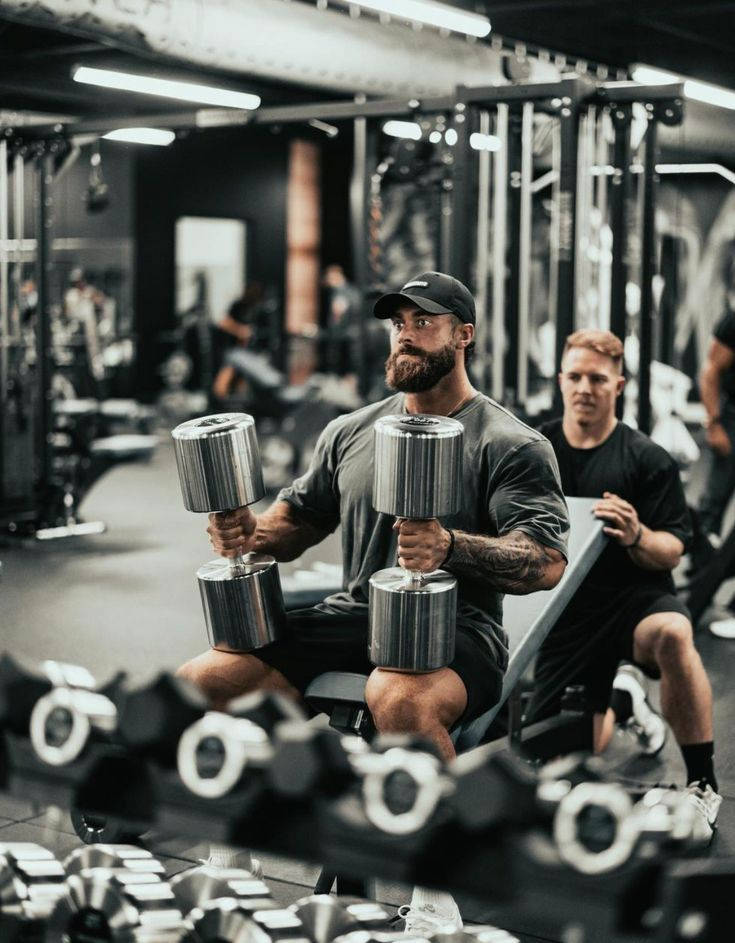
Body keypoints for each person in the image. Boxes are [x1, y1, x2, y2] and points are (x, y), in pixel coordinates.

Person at [178, 271, 569, 927]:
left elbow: (545, 561)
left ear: (463, 333)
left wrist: (451, 547)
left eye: (423, 321)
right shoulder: (351, 430)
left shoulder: (509, 443)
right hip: (353, 615)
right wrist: (249, 533)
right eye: (397, 323)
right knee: (204, 680)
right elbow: (297, 522)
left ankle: (437, 898)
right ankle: (233, 856)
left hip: (456, 630)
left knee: (397, 695)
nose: (404, 335)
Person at [529, 329, 721, 843]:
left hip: (636, 601)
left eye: (597, 378)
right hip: (565, 609)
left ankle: (703, 782)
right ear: (560, 380)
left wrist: (637, 533)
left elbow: (673, 549)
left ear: (619, 384)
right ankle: (623, 701)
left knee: (674, 634)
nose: (584, 388)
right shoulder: (537, 450)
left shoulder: (646, 458)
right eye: (574, 377)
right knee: (560, 766)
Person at [697, 297, 735, 543]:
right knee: (714, 500)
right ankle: (701, 566)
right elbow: (710, 372)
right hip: (732, 420)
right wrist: (714, 424)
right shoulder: (732, 322)